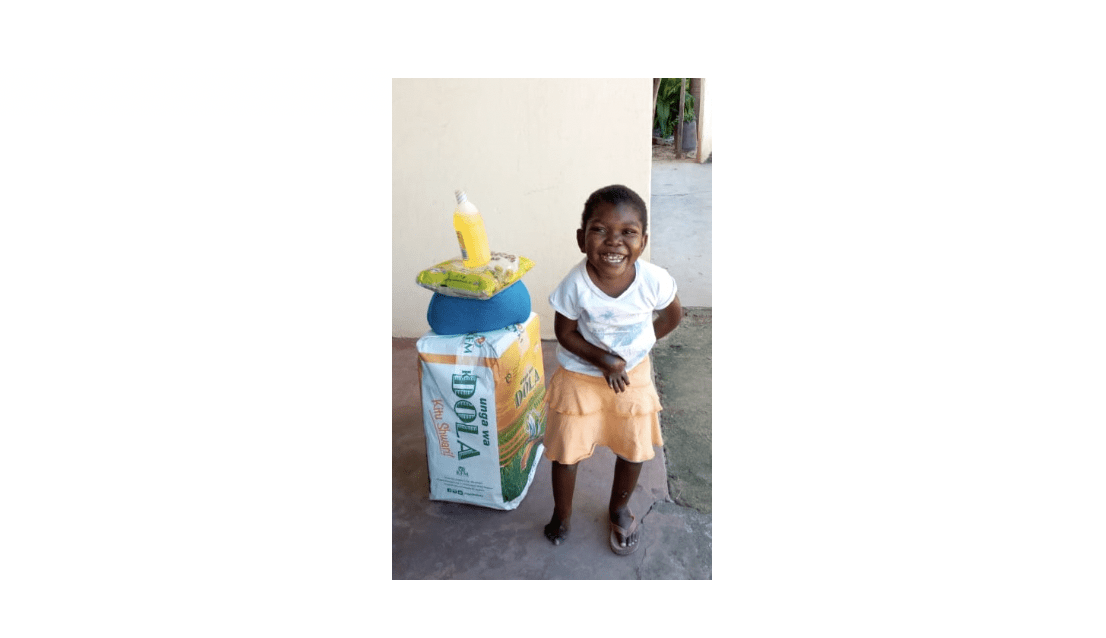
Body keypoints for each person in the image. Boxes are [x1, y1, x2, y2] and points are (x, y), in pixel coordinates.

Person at [542, 184, 682, 555]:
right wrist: (605, 360)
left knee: (633, 447)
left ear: (643, 240)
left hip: (630, 375)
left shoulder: (653, 281)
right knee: (565, 451)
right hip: (581, 373)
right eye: (600, 229)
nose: (613, 242)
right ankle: (563, 513)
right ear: (581, 238)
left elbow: (672, 316)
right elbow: (564, 333)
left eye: (628, 232)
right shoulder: (575, 284)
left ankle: (619, 508)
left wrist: (639, 349)